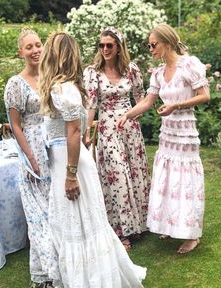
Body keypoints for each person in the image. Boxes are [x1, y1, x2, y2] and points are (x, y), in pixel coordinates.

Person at [38, 31, 147, 288]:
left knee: (84, 223)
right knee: (76, 223)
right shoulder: (62, 87)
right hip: (64, 161)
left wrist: (71, 174)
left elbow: (74, 132)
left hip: (71, 164)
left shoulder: (64, 90)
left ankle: (93, 279)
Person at [117, 23, 210, 254]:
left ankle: (192, 234)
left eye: (153, 44)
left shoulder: (189, 65)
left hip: (185, 133)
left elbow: (204, 96)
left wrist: (176, 105)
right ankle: (169, 223)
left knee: (186, 181)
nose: (150, 49)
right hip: (167, 134)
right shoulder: (158, 73)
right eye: (149, 45)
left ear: (167, 43)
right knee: (168, 179)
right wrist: (127, 115)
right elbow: (148, 101)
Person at [83, 27, 150, 251]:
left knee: (135, 173)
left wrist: (134, 115)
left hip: (130, 130)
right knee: (117, 176)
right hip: (108, 130)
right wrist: (85, 133)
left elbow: (141, 99)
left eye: (109, 45)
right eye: (101, 45)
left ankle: (140, 224)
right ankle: (121, 231)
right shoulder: (93, 72)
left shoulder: (132, 70)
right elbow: (91, 106)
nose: (104, 49)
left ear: (119, 47)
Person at [4, 28, 53, 288]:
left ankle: (50, 271)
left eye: (38, 45)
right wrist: (31, 159)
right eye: (29, 47)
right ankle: (48, 273)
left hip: (53, 150)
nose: (35, 50)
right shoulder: (15, 83)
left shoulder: (50, 77)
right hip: (31, 152)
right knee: (38, 216)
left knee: (55, 214)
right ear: (20, 52)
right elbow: (15, 125)